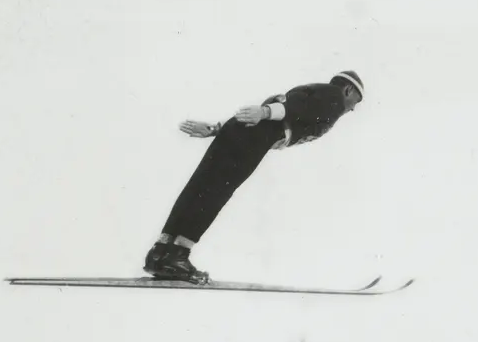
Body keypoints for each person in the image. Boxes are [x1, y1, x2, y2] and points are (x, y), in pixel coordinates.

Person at [143, 70, 365, 285]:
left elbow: (275, 110)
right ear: (347, 90)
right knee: (216, 192)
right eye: (357, 100)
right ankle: (177, 256)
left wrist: (216, 129)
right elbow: (297, 108)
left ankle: (160, 253)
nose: (354, 108)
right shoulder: (334, 97)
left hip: (241, 129)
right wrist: (266, 113)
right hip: (258, 134)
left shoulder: (315, 90)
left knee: (200, 185)